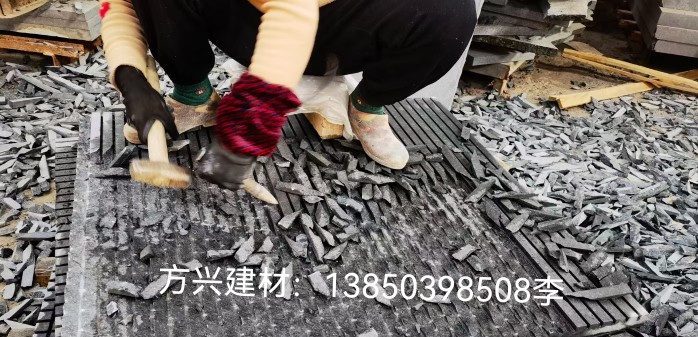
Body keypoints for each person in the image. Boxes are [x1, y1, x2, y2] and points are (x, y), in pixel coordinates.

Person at [101, 0, 477, 194]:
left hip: (343, 19)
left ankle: (367, 105)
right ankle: (194, 97)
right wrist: (129, 75)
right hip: (250, 18)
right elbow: (117, 6)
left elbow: (291, 10)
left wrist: (251, 121)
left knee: (447, 14)